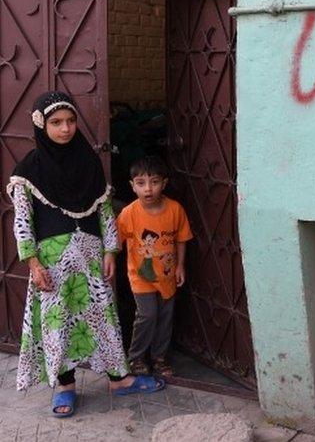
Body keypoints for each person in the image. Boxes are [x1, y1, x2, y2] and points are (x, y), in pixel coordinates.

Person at [9, 91, 164, 418]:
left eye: (70, 121)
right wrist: (33, 263)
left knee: (103, 318)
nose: (65, 129)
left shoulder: (89, 163)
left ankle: (118, 379)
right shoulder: (29, 170)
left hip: (91, 259)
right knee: (59, 323)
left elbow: (105, 211)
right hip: (52, 264)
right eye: (56, 123)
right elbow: (22, 220)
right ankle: (65, 387)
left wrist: (111, 249)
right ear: (41, 125)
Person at [116, 156, 192, 378]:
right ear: (132, 186)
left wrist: (180, 266)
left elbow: (181, 239)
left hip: (167, 275)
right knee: (148, 315)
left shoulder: (175, 210)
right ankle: (137, 357)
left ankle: (160, 358)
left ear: (164, 183)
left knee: (165, 317)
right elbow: (115, 242)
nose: (148, 189)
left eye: (154, 182)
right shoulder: (129, 213)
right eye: (140, 183)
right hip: (141, 276)